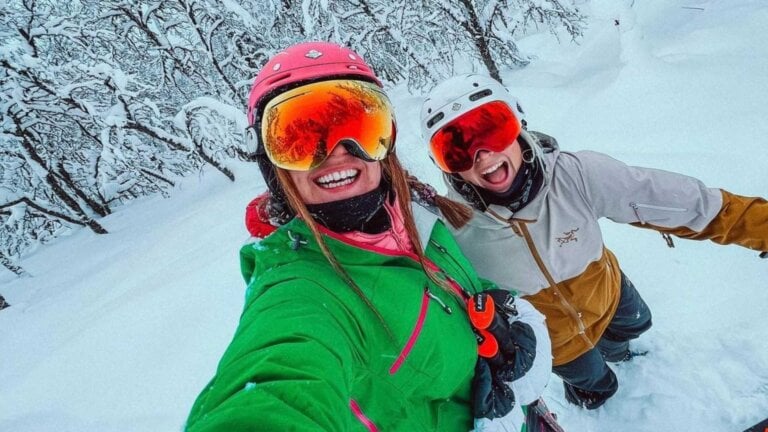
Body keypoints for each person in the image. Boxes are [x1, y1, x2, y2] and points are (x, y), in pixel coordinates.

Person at [185, 43, 553, 432]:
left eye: (358, 127)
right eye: (302, 140)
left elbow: (452, 282)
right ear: (272, 164)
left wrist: (501, 310)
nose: (339, 154)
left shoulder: (413, 211)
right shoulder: (303, 291)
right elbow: (278, 381)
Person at [418, 73, 768, 410]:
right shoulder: (451, 229)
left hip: (610, 296)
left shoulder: (576, 175)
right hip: (560, 344)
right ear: (447, 167)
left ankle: (620, 354)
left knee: (636, 325)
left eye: (492, 129)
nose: (482, 154)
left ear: (519, 122)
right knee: (595, 383)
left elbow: (684, 204)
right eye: (457, 149)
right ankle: (596, 402)